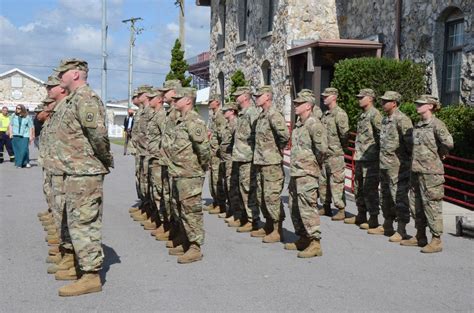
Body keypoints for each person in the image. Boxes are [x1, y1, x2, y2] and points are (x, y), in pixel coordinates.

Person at [49, 58, 113, 296]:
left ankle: (90, 276)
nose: (59, 77)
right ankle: (80, 267)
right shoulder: (73, 99)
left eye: (62, 73)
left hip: (85, 172)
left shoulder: (86, 98)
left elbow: (98, 136)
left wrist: (103, 161)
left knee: (85, 223)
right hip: (74, 171)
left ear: (75, 74)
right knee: (75, 222)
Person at [401, 95, 453, 253]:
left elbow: (448, 143)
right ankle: (420, 235)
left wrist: (440, 154)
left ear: (430, 106)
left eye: (421, 104)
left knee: (432, 205)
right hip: (416, 170)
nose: (417, 105)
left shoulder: (437, 124)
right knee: (415, 204)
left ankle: (436, 240)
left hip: (432, 173)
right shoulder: (418, 125)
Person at [167, 87, 210, 263]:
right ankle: (186, 241)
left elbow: (204, 149)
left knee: (191, 211)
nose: (174, 101)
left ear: (188, 101)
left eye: (178, 98)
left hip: (190, 174)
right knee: (180, 209)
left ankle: (195, 246)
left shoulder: (194, 121)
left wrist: (200, 167)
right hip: (179, 172)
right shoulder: (181, 121)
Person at [286, 89, 327, 257]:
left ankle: (315, 242)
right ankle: (303, 237)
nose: (296, 105)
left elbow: (322, 150)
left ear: (308, 106)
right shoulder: (299, 125)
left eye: (299, 103)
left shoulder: (314, 124)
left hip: (307, 173)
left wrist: (312, 166)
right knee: (294, 207)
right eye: (295, 103)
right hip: (296, 172)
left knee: (307, 208)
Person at [371, 91, 413, 241]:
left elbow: (410, 144)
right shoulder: (385, 120)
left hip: (397, 166)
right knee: (386, 195)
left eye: (386, 101)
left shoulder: (402, 119)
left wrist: (404, 161)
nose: (382, 104)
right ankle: (387, 224)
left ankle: (401, 229)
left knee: (399, 197)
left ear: (394, 103)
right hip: (384, 164)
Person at [252, 85, 290, 243]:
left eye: (259, 95)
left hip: (271, 163)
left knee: (272, 196)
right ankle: (268, 224)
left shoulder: (274, 115)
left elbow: (284, 136)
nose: (256, 98)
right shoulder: (262, 116)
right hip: (261, 162)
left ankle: (277, 228)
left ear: (267, 97)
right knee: (261, 196)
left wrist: (275, 150)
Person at [344, 89, 382, 229]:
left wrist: (377, 153)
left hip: (370, 159)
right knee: (359, 187)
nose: (359, 99)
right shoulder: (363, 115)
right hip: (361, 156)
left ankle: (373, 218)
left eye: (362, 97)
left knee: (370, 188)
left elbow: (381, 135)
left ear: (370, 98)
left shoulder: (375, 114)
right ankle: (361, 214)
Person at [231, 86, 260, 232]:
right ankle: (244, 217)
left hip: (248, 158)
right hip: (240, 157)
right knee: (242, 188)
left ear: (245, 97)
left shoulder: (252, 113)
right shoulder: (242, 113)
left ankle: (253, 219)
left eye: (238, 95)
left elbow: (257, 134)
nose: (236, 97)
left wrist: (254, 154)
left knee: (248, 189)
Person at [319, 88, 349, 220]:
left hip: (335, 154)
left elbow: (344, 135)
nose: (324, 98)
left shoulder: (340, 114)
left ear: (334, 97)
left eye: (327, 96)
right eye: (324, 96)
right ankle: (326, 206)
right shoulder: (325, 114)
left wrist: (340, 148)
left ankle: (341, 209)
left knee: (337, 182)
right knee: (323, 182)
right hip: (325, 154)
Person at [205, 93, 227, 215]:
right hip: (212, 151)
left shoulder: (220, 116)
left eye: (211, 101)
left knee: (217, 179)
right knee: (212, 178)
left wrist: (219, 150)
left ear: (217, 102)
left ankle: (221, 204)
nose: (209, 103)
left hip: (217, 152)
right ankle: (216, 201)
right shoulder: (214, 115)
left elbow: (222, 135)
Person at [217, 102, 239, 220]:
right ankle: (230, 210)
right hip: (225, 159)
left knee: (232, 186)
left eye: (226, 111)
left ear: (232, 111)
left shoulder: (235, 123)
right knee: (227, 185)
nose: (224, 112)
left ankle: (235, 213)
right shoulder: (228, 124)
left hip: (231, 159)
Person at [9, 104, 34, 168]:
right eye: (16, 108)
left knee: (24, 150)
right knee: (17, 150)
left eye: (19, 108)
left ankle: (22, 163)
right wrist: (11, 133)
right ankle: (20, 163)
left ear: (22, 109)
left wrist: (31, 136)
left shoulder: (27, 117)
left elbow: (30, 127)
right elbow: (10, 125)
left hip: (25, 136)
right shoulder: (13, 116)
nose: (17, 109)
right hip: (15, 135)